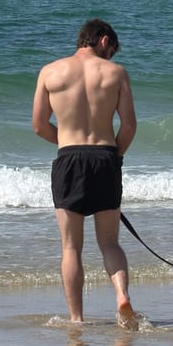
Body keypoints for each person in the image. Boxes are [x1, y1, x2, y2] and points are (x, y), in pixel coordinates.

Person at [32, 18, 139, 329]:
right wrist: (114, 156)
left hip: (69, 159)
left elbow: (39, 125)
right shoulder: (116, 74)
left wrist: (67, 143)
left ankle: (76, 319)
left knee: (70, 247)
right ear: (103, 40)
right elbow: (129, 126)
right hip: (106, 157)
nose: (112, 58)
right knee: (110, 243)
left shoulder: (50, 72)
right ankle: (121, 296)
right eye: (112, 51)